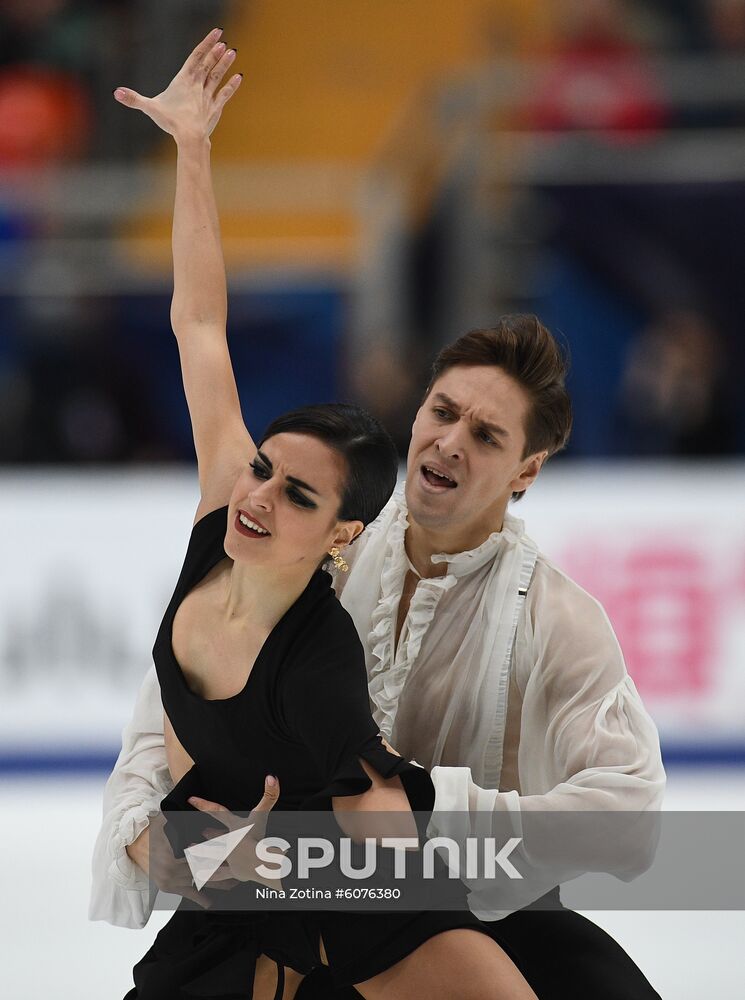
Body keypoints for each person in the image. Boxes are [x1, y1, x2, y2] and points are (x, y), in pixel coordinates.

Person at [93, 28, 666, 1000]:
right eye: (441, 412)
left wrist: (436, 811)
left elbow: (630, 817)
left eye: (485, 437)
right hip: (259, 900)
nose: (446, 442)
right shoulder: (266, 554)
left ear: (525, 471)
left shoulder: (554, 619)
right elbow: (200, 326)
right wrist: (191, 149)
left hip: (458, 903)